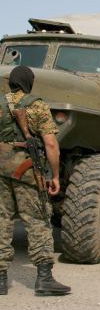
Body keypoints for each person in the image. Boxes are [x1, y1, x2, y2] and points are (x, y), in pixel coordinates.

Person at [0, 66, 71, 296]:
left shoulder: (0, 103)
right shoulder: (36, 104)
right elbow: (50, 144)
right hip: (27, 171)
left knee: (1, 221)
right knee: (38, 220)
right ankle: (44, 279)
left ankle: (0, 280)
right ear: (28, 83)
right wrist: (55, 175)